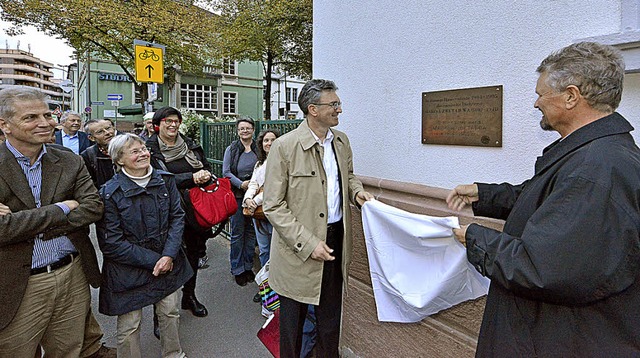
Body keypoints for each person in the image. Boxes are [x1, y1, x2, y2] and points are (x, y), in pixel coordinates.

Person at [446, 42, 640, 356]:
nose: (536, 103)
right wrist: (486, 195)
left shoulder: (596, 170)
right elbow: (551, 199)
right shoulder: (595, 154)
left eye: (541, 94)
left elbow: (542, 268)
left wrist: (474, 238)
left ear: (571, 96)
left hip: (560, 340)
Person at [263, 79, 374, 357]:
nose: (339, 109)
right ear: (313, 109)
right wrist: (308, 243)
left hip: (335, 240)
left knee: (329, 321)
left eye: (338, 103)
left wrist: (357, 194)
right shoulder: (285, 147)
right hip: (296, 250)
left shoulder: (341, 141)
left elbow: (347, 177)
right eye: (333, 104)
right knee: (293, 326)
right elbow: (273, 205)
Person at [0, 87, 104, 357]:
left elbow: (93, 207)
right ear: (5, 125)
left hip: (71, 274)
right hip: (18, 283)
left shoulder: (69, 160)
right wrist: (62, 208)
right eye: (31, 117)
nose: (45, 123)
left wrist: (25, 223)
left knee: (69, 350)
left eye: (47, 114)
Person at [97, 133, 191, 358]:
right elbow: (112, 243)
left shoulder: (165, 180)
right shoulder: (109, 193)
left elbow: (177, 217)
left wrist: (168, 255)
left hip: (167, 261)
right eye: (135, 151)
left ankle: (174, 354)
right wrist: (155, 260)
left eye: (144, 149)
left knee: (169, 312)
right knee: (130, 324)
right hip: (128, 269)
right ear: (119, 160)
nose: (143, 154)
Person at [147, 106, 211, 318]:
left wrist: (205, 175)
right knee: (166, 258)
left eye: (176, 121)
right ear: (158, 124)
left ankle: (189, 296)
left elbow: (206, 166)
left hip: (194, 210)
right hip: (164, 211)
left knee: (193, 254)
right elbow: (155, 179)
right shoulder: (149, 148)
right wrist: (190, 178)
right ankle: (161, 313)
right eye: (168, 121)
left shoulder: (190, 145)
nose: (173, 125)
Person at [223, 117, 258, 286]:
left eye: (248, 128)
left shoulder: (259, 148)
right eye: (241, 128)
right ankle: (237, 269)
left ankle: (248, 266)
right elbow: (226, 172)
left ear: (253, 129)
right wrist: (241, 184)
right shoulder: (232, 149)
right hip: (237, 196)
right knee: (237, 233)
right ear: (237, 131)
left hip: (256, 197)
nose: (245, 131)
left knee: (251, 233)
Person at [81, 118, 117, 189]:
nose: (107, 133)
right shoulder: (88, 155)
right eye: (100, 132)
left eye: (108, 128)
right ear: (91, 138)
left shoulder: (129, 147)